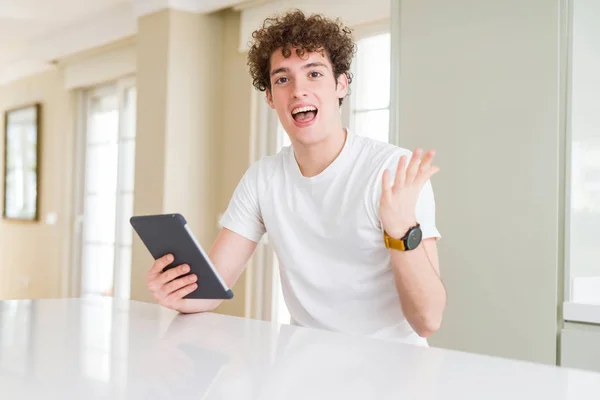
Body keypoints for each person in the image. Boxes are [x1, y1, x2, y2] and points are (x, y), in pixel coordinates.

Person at [146, 9, 446, 346]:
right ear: (271, 98)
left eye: (314, 73)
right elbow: (212, 288)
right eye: (283, 79)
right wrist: (178, 294)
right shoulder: (263, 178)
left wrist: (400, 229)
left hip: (391, 367)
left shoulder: (394, 171)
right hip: (305, 362)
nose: (299, 90)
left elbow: (427, 321)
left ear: (341, 84)